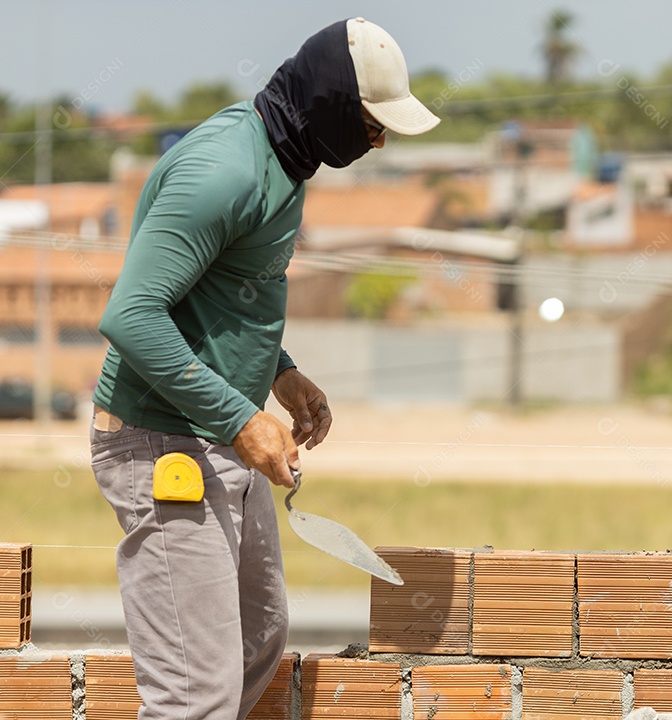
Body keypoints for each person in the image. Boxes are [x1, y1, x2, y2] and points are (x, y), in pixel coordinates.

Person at [89, 17, 439, 720]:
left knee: (257, 641)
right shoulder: (224, 171)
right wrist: (240, 416)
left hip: (216, 437)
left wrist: (280, 373)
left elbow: (218, 294)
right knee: (194, 694)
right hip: (164, 444)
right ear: (330, 103)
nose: (377, 143)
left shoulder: (286, 161)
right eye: (371, 124)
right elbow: (131, 316)